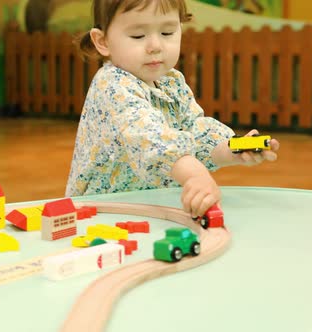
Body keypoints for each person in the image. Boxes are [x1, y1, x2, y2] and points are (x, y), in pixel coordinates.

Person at [65, 0, 279, 218]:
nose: (156, 46)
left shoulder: (171, 81)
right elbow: (149, 137)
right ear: (103, 42)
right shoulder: (111, 85)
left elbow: (194, 131)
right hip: (100, 211)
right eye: (138, 36)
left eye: (167, 32)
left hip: (154, 209)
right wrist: (194, 175)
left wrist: (232, 149)